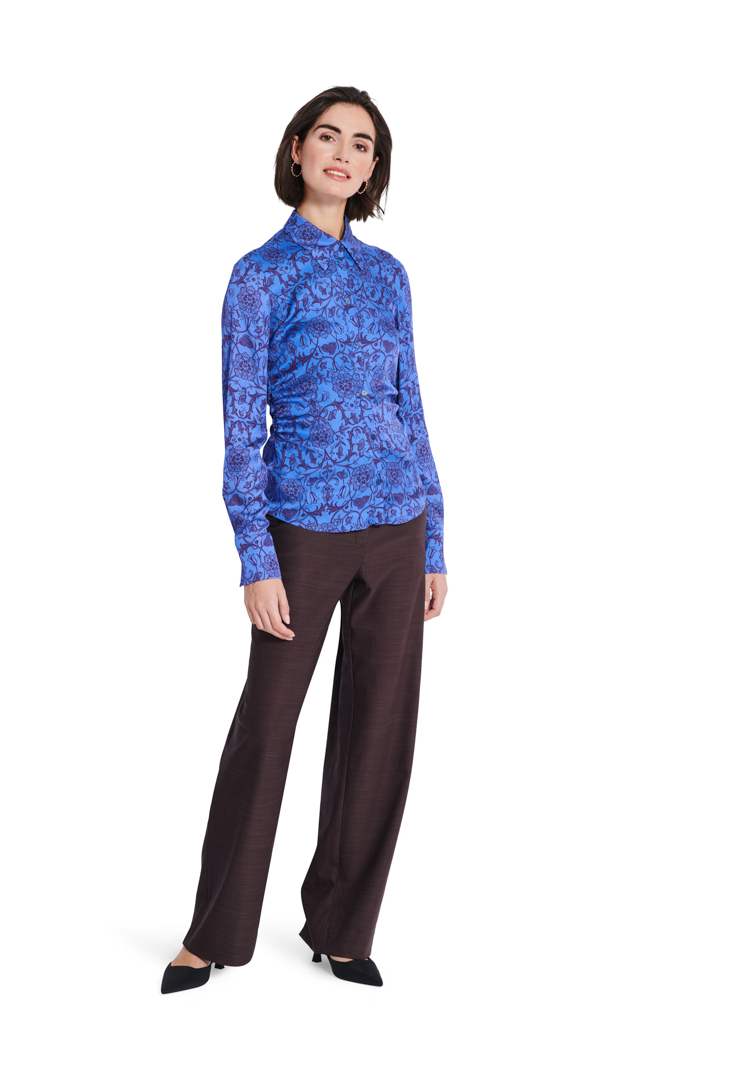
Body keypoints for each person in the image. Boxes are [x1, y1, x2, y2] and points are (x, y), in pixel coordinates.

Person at [161, 85, 448, 994]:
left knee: (379, 732)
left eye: (362, 144)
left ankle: (341, 927)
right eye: (328, 136)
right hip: (304, 530)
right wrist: (256, 557)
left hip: (397, 525)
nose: (343, 154)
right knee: (267, 726)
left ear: (373, 168)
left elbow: (411, 404)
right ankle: (213, 933)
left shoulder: (388, 274)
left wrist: (434, 538)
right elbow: (240, 423)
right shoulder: (261, 274)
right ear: (297, 150)